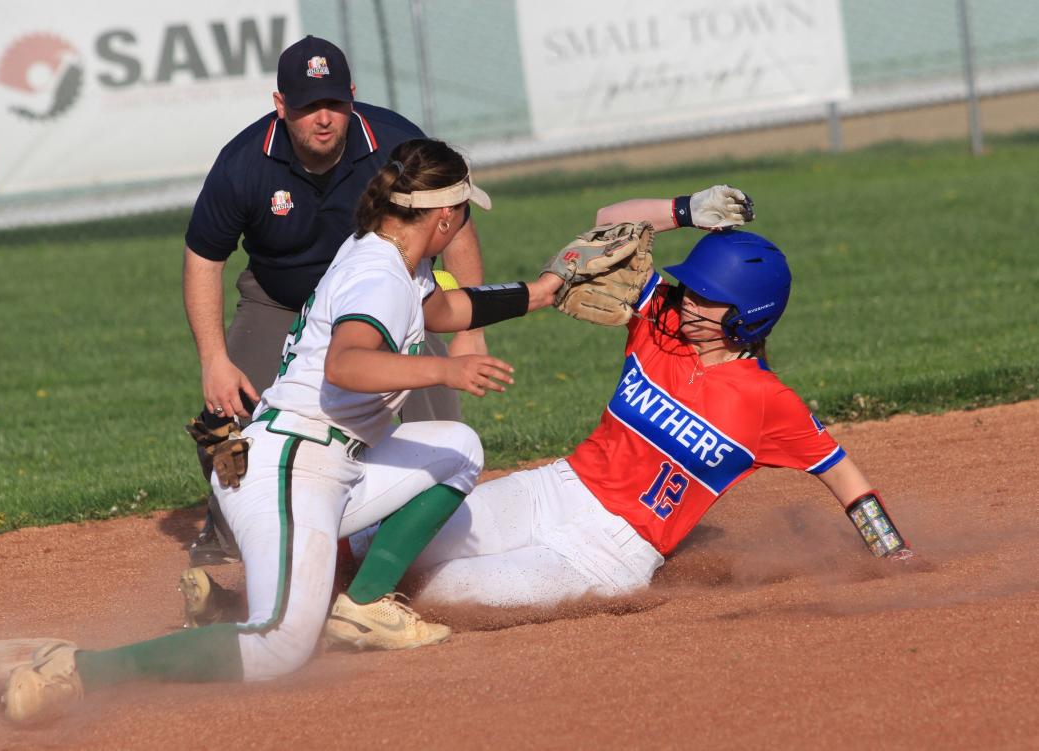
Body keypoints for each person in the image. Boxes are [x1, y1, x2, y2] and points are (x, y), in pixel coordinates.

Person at [0, 139, 568, 724]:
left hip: (327, 463)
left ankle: (363, 608)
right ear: (445, 217)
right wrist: (447, 368)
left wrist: (539, 294)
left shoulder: (398, 256)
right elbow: (346, 364)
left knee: (457, 448)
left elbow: (441, 311)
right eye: (464, 211)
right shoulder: (379, 275)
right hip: (289, 470)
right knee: (281, 646)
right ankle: (77, 671)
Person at [363, 196, 914, 609]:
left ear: (751, 315)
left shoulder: (769, 403)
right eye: (691, 290)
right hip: (555, 488)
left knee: (442, 590)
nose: (690, 303)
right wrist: (687, 209)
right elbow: (612, 220)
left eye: (708, 300)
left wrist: (892, 551)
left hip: (609, 552)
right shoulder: (662, 322)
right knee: (391, 544)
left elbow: (843, 475)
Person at [183, 35, 488, 566]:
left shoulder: (395, 143)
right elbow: (204, 258)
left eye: (334, 103)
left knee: (438, 430)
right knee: (228, 416)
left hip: (398, 301)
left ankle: (418, 539)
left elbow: (456, 226)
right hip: (280, 299)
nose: (322, 118)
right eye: (306, 106)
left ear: (351, 96)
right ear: (280, 106)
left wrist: (470, 329)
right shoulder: (243, 164)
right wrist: (214, 359)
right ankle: (229, 534)